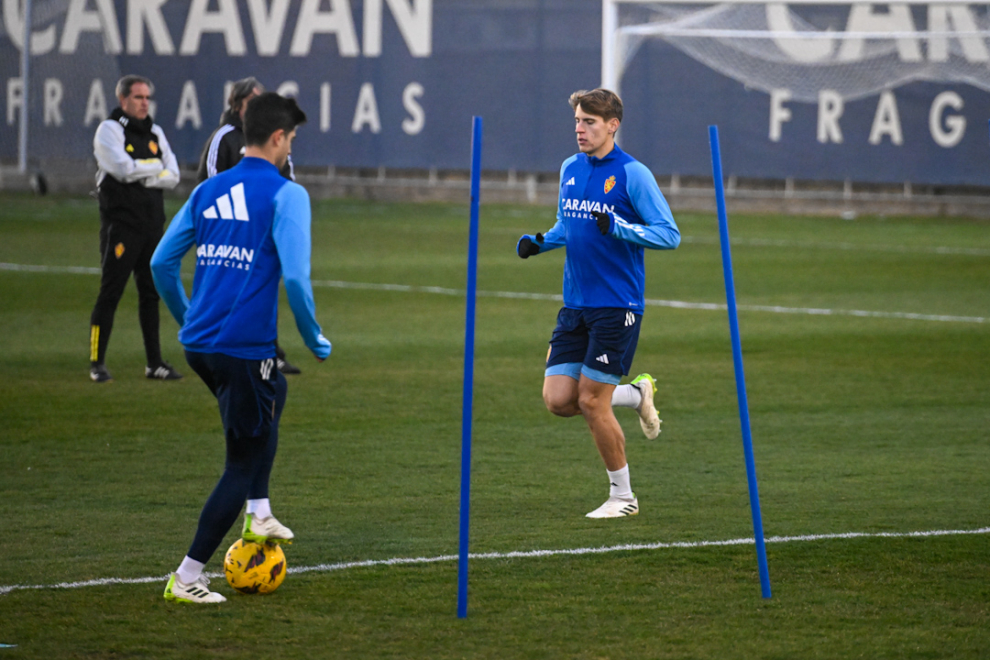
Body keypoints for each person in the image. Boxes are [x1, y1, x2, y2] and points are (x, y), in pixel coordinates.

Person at [151, 92, 332, 604]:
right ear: (278, 138)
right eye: (291, 139)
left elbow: (162, 266)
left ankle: (260, 512)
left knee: (272, 399)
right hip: (243, 348)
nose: (291, 147)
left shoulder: (208, 189)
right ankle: (187, 576)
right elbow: (296, 278)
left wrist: (191, 321)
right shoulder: (286, 194)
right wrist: (314, 336)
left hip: (200, 345)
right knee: (241, 458)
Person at [516, 88, 680, 519]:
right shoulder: (570, 168)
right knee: (558, 400)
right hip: (576, 304)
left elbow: (669, 233)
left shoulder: (633, 174)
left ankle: (623, 498)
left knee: (591, 401)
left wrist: (622, 228)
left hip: (617, 305)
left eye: (589, 122)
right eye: (577, 121)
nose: (579, 129)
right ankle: (636, 393)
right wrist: (540, 243)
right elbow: (567, 224)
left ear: (612, 126)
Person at [196, 77, 300, 375]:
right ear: (237, 103)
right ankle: (219, 344)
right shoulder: (224, 137)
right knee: (227, 290)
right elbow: (210, 185)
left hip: (263, 229)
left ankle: (270, 352)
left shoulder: (270, 138)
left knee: (264, 287)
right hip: (231, 230)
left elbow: (287, 179)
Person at [88, 75, 182, 383]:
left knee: (150, 294)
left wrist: (144, 170)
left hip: (153, 226)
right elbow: (122, 170)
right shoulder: (109, 131)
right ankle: (96, 362)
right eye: (139, 97)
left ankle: (154, 363)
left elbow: (174, 175)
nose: (144, 103)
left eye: (147, 98)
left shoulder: (156, 132)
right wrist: (154, 167)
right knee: (110, 292)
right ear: (123, 100)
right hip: (122, 227)